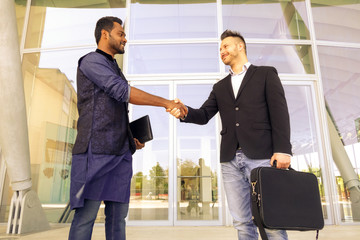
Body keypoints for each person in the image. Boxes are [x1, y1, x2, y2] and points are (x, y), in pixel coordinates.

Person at [68, 16, 187, 240]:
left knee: (117, 219)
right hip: (95, 153)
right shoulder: (91, 61)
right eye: (120, 34)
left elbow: (115, 109)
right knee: (86, 217)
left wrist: (129, 138)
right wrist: (167, 103)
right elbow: (122, 92)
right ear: (105, 34)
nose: (125, 38)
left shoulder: (114, 67)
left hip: (120, 154)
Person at [169, 30, 292, 239]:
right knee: (242, 222)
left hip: (262, 156)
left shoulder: (265, 74)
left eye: (225, 46)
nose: (222, 51)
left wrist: (282, 150)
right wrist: (185, 112)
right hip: (230, 160)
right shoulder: (220, 86)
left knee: (271, 220)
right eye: (220, 49)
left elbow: (279, 112)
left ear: (240, 46)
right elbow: (204, 114)